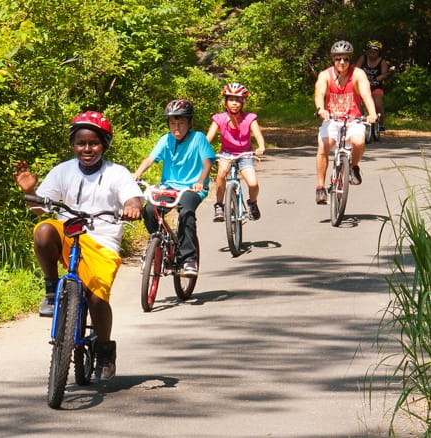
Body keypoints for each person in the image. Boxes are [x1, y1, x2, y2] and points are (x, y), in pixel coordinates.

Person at [14, 111, 143, 381]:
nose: (87, 149)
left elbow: (132, 197)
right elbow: (40, 208)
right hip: (69, 235)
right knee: (44, 230)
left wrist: (132, 206)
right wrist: (29, 192)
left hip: (103, 241)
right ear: (73, 145)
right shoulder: (62, 170)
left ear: (104, 144)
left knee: (97, 299)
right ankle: (51, 291)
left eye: (94, 143)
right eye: (81, 143)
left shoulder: (116, 173)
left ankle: (105, 350)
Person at [133, 99, 216, 276]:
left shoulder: (198, 138)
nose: (176, 127)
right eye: (172, 123)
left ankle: (189, 259)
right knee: (149, 210)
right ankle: (157, 246)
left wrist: (201, 181)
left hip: (191, 188)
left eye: (181, 123)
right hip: (169, 186)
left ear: (189, 123)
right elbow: (150, 159)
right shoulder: (166, 140)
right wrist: (136, 174)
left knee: (186, 212)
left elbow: (207, 161)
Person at [314, 40, 377, 205]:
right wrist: (321, 109)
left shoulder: (358, 74)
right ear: (333, 59)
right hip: (332, 119)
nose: (342, 62)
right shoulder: (324, 75)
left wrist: (371, 113)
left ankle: (354, 168)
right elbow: (319, 93)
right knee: (323, 146)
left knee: (359, 141)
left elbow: (366, 95)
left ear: (350, 59)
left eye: (346, 59)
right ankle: (320, 187)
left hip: (353, 119)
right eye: (338, 59)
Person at [206, 82, 266, 222]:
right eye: (231, 99)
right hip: (226, 154)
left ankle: (252, 203)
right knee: (221, 175)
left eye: (238, 100)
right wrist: (201, 149)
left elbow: (257, 135)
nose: (234, 103)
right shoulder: (219, 118)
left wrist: (261, 147)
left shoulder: (249, 118)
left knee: (253, 184)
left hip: (245, 154)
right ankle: (219, 205)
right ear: (226, 101)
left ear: (243, 102)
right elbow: (208, 137)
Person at [355, 40, 388, 131]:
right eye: (370, 51)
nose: (372, 53)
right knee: (359, 102)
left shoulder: (382, 61)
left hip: (376, 86)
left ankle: (381, 124)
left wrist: (378, 78)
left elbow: (384, 74)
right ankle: (358, 121)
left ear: (378, 52)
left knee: (378, 103)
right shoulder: (363, 58)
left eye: (375, 51)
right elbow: (356, 69)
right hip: (363, 85)